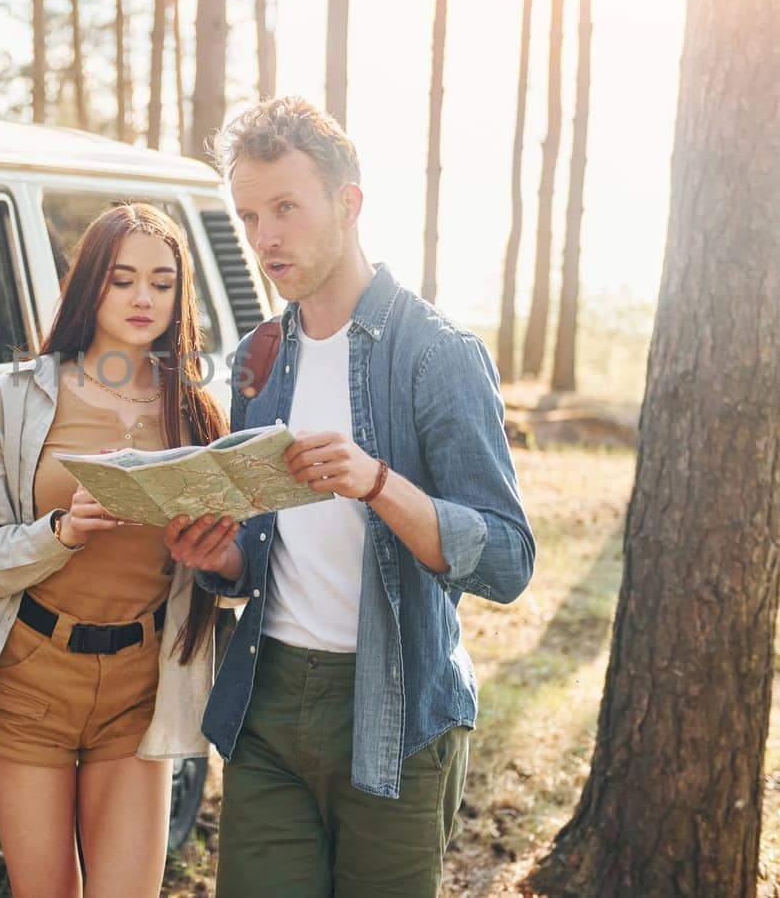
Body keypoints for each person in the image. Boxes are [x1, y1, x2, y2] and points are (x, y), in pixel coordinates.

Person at [163, 97, 535, 896]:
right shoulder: (260, 357)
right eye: (250, 214)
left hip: (395, 712)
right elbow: (265, 545)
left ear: (350, 202)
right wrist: (221, 557)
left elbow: (507, 559)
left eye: (286, 208)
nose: (265, 238)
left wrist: (379, 483)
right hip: (268, 700)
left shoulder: (438, 354)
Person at [0, 203, 227, 897]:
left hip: (142, 683)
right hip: (32, 680)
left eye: (161, 283)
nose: (143, 298)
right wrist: (62, 530)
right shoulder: (13, 398)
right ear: (89, 286)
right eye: (122, 278)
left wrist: (216, 548)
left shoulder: (197, 408)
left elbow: (238, 564)